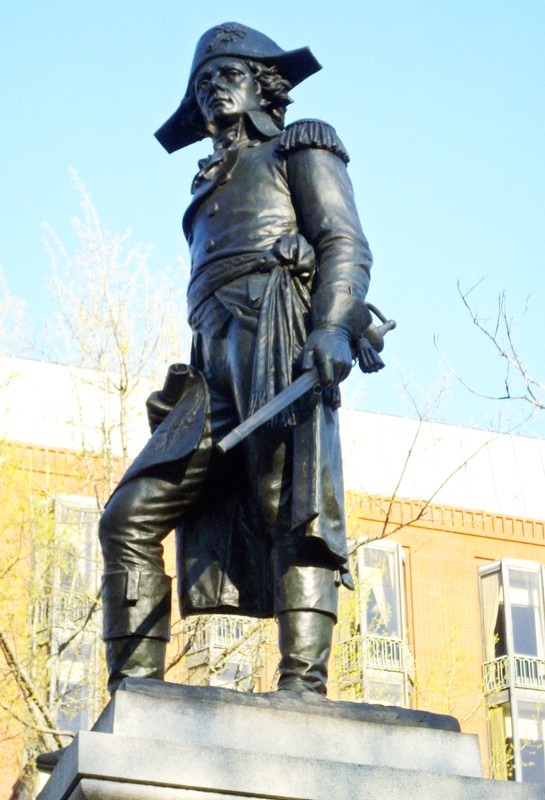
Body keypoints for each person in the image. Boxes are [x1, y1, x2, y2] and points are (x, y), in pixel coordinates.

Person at [99, 22, 375, 698]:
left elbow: (344, 241)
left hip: (275, 333)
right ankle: (135, 695)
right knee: (127, 518)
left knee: (290, 503)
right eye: (202, 82)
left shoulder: (299, 144)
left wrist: (332, 326)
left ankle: (303, 685)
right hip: (209, 359)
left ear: (262, 85)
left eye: (227, 75)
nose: (212, 89)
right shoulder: (204, 185)